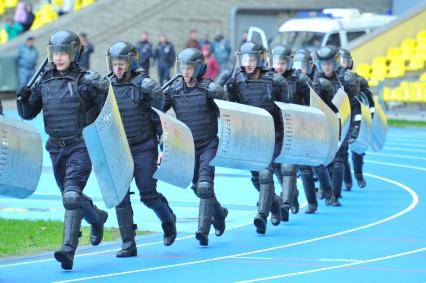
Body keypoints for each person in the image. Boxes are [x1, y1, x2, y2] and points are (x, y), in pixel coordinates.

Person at [16, 30, 109, 270]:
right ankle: (97, 218)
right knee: (71, 197)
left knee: (71, 196)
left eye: (63, 53)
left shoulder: (88, 81)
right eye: (55, 53)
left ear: (74, 53)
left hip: (81, 145)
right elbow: (28, 114)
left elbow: (108, 115)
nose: (58, 58)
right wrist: (22, 99)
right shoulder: (44, 81)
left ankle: (68, 250)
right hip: (55, 148)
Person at [106, 41, 177, 257]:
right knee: (120, 195)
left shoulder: (146, 85)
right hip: (119, 147)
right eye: (114, 64)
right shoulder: (106, 85)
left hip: (144, 147)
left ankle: (168, 220)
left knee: (147, 193)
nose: (117, 69)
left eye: (121, 64)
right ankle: (128, 244)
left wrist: (165, 147)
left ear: (131, 62)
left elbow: (160, 120)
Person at [163, 48, 228, 246]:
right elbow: (156, 114)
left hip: (208, 143)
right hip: (187, 148)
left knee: (205, 186)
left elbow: (229, 114)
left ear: (198, 67)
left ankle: (203, 231)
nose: (186, 71)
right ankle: (219, 213)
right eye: (183, 67)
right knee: (199, 188)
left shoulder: (210, 89)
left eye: (189, 67)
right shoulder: (173, 90)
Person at [226, 41, 288, 234]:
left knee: (265, 173)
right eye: (245, 59)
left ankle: (261, 216)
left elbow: (286, 110)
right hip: (251, 136)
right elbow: (232, 107)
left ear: (259, 59)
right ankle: (275, 203)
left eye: (252, 58)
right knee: (256, 178)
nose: (248, 63)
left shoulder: (276, 81)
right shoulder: (237, 81)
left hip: (273, 135)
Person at [313, 45, 361, 206]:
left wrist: (355, 127)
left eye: (329, 63)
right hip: (322, 124)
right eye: (323, 64)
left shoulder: (346, 79)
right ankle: (324, 189)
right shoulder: (314, 79)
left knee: (339, 159)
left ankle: (335, 195)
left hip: (342, 122)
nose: (326, 67)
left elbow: (355, 105)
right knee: (322, 158)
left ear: (336, 63)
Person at [339, 48, 372, 189]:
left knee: (357, 149)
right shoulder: (334, 80)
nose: (342, 64)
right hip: (342, 118)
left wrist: (370, 116)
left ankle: (359, 175)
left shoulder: (359, 80)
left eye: (344, 61)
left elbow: (369, 100)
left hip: (357, 117)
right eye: (339, 61)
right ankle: (347, 181)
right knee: (342, 151)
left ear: (350, 62)